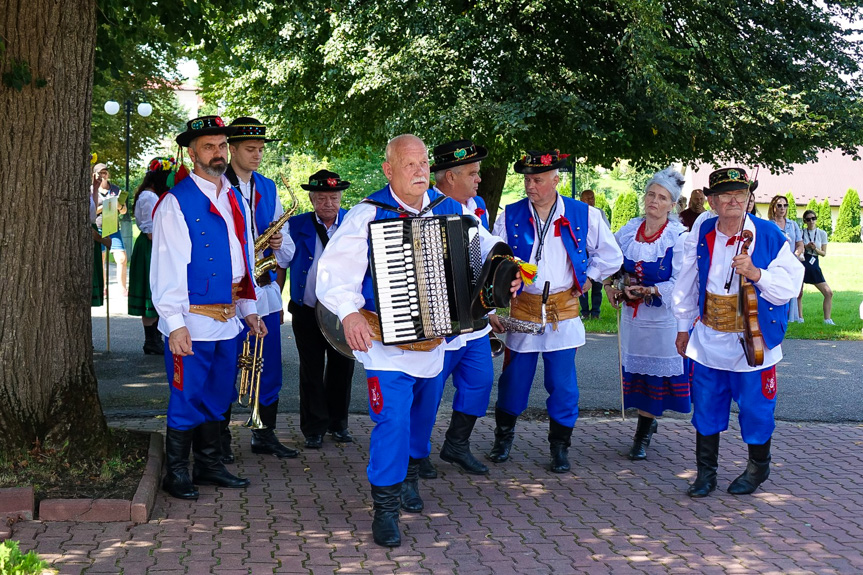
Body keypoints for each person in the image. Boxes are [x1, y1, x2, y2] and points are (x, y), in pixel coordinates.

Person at [315, 134, 518, 547]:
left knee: (422, 415)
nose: (421, 171)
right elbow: (332, 274)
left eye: (424, 163)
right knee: (391, 421)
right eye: (410, 165)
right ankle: (385, 509)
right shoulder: (368, 214)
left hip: (438, 342)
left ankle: (409, 476)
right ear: (389, 170)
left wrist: (505, 274)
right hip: (383, 346)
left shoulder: (452, 210)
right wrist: (350, 311)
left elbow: (487, 250)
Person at [151, 115, 265, 500]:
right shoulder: (175, 203)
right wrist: (174, 323)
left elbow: (244, 256)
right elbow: (166, 266)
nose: (216, 153)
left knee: (219, 394)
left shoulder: (233, 196)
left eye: (220, 146)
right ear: (192, 152)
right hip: (192, 321)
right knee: (187, 395)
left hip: (229, 319)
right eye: (208, 147)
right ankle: (177, 473)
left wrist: (249, 307)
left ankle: (211, 465)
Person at [488, 150, 622, 473]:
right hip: (524, 310)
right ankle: (503, 437)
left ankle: (560, 447)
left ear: (556, 180)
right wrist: (496, 298)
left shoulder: (583, 214)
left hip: (563, 311)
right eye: (526, 179)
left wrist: (589, 280)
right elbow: (492, 260)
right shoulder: (510, 214)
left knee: (563, 385)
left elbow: (612, 255)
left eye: (537, 180)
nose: (529, 185)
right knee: (514, 381)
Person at [673, 167, 804, 498]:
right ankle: (706, 474)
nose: (734, 201)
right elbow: (688, 280)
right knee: (705, 406)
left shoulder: (770, 235)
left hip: (754, 340)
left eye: (740, 195)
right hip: (708, 338)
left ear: (749, 199)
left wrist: (758, 274)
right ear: (713, 202)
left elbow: (790, 285)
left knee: (756, 409)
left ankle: (758, 468)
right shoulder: (701, 231)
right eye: (725, 196)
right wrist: (682, 326)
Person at [222, 117, 299, 461]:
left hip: (264, 288)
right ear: (232, 149)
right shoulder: (215, 186)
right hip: (230, 292)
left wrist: (280, 242)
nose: (257, 155)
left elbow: (290, 251)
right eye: (250, 149)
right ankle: (218, 439)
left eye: (260, 150)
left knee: (268, 366)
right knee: (226, 365)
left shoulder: (268, 187)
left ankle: (263, 433)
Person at [603, 168, 689, 461]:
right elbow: (609, 260)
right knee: (638, 375)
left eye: (662, 197)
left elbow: (683, 281)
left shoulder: (678, 237)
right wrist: (610, 285)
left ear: (672, 205)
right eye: (650, 194)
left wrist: (651, 291)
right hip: (634, 319)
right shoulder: (629, 230)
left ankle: (641, 436)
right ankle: (646, 425)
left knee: (655, 379)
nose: (654, 200)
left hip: (663, 320)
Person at [422, 138, 494, 477]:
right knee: (428, 391)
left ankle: (456, 444)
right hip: (440, 319)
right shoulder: (424, 206)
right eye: (472, 173)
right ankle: (416, 454)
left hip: (473, 318)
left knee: (480, 380)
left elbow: (483, 249)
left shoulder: (475, 205)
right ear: (449, 176)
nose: (479, 179)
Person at [284, 169, 355, 450]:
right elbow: (282, 261)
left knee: (343, 367)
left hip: (344, 312)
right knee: (311, 369)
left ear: (340, 198)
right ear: (312, 199)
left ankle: (339, 424)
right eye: (322, 197)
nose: (328, 203)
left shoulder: (353, 222)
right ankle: (314, 428)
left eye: (334, 197)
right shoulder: (295, 224)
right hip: (307, 308)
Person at [128, 157, 175, 355]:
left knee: (158, 288)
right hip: (151, 246)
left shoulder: (154, 195)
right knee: (150, 289)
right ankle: (151, 340)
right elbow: (150, 231)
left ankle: (155, 337)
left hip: (155, 245)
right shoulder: (149, 197)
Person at [92, 163, 129, 295]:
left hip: (113, 227)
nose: (103, 175)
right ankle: (103, 287)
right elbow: (91, 211)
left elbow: (124, 211)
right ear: (95, 174)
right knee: (101, 258)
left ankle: (122, 288)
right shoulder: (92, 190)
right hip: (99, 227)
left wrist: (118, 206)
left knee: (122, 258)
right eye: (100, 173)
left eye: (105, 172)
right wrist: (106, 205)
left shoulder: (115, 189)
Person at [767, 195, 805, 322]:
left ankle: (791, 318)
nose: (782, 208)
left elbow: (800, 244)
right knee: (777, 290)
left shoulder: (793, 224)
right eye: (779, 205)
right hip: (775, 264)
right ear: (773, 208)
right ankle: (775, 317)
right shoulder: (769, 225)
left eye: (785, 205)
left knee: (791, 289)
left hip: (791, 263)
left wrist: (795, 255)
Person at [799, 209, 835, 325]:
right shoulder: (801, 232)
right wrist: (806, 246)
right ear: (805, 221)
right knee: (799, 293)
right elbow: (797, 249)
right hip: (802, 263)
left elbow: (824, 253)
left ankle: (827, 319)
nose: (811, 221)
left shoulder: (822, 233)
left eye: (813, 218)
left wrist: (815, 249)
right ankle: (799, 318)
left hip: (814, 264)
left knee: (828, 292)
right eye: (808, 219)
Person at [578, 189, 609, 319]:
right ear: (581, 200)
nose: (591, 200)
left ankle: (595, 312)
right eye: (587, 198)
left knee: (597, 284)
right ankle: (584, 312)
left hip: (597, 251)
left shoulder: (600, 213)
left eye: (592, 197)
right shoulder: (578, 213)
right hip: (582, 252)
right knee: (582, 282)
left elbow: (607, 231)